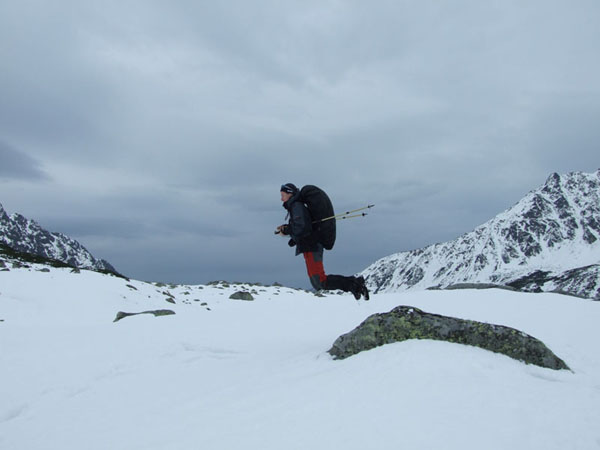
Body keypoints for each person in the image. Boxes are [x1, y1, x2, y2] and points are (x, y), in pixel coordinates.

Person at [276, 183, 369, 300]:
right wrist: (289, 232)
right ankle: (354, 285)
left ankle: (355, 284)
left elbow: (302, 227)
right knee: (318, 282)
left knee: (320, 282)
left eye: (283, 195)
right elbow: (304, 226)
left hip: (312, 246)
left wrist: (286, 230)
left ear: (290, 194)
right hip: (310, 245)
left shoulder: (296, 206)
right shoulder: (296, 206)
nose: (281, 199)